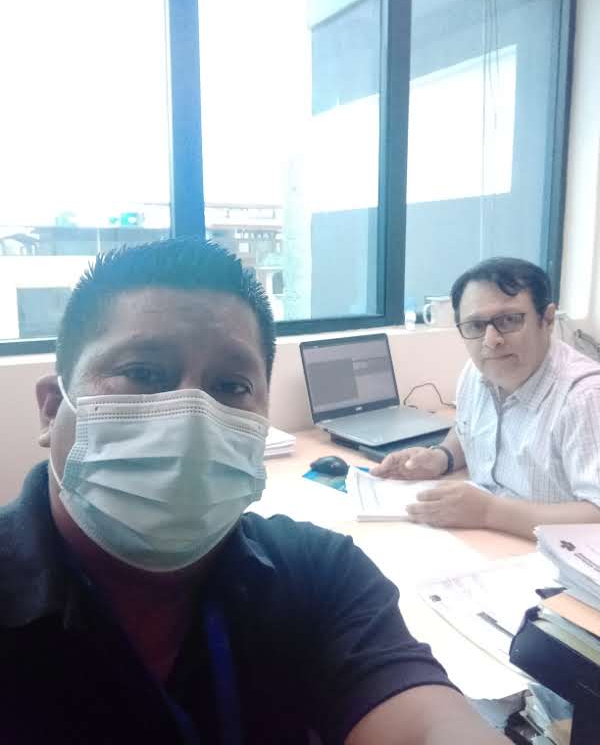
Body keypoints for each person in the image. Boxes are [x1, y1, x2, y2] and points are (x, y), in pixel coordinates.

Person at [0, 238, 507, 744]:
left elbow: (426, 725)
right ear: (51, 408)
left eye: (231, 385)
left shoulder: (319, 574)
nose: (192, 416)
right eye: (143, 372)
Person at [372, 257, 600, 539]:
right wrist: (440, 457)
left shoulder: (585, 397)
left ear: (548, 319)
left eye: (509, 320)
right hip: (484, 541)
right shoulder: (476, 372)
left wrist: (489, 512)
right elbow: (468, 430)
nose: (491, 341)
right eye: (476, 326)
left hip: (551, 557)